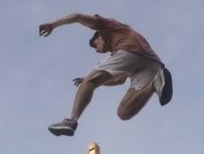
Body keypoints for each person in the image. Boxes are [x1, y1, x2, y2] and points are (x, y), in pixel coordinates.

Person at [38, 13, 171, 137]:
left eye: (96, 46)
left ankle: (71, 120)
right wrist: (90, 80)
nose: (97, 51)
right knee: (123, 112)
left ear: (99, 36)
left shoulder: (106, 27)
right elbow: (119, 80)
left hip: (129, 50)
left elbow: (77, 16)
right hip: (153, 65)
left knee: (90, 81)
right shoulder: (121, 39)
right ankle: (156, 83)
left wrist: (52, 25)